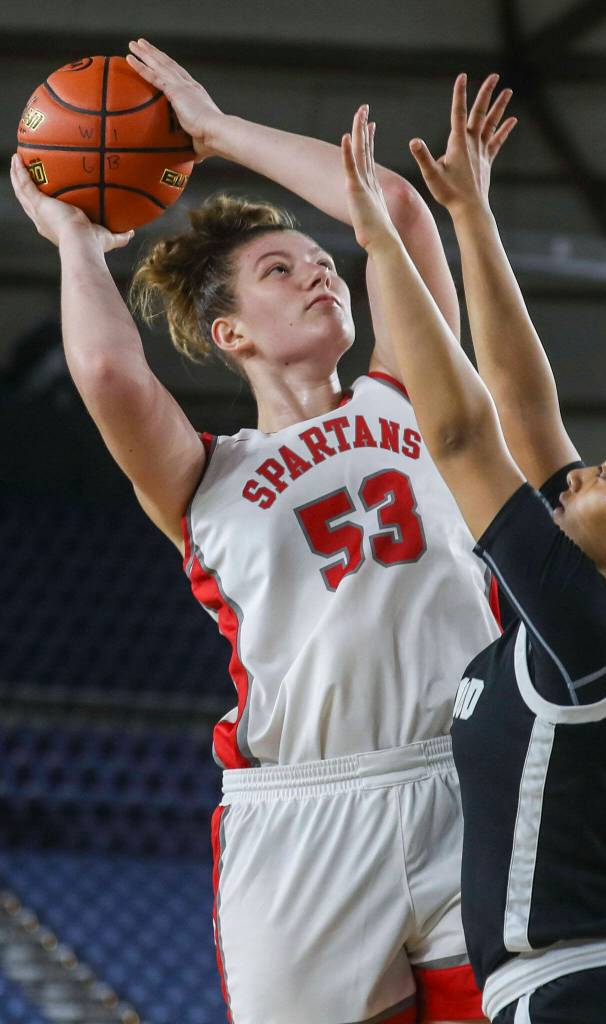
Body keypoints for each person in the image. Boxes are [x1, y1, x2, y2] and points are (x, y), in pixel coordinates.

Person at [10, 42, 503, 1024]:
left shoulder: (408, 393)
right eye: (282, 270)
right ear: (228, 332)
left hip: (468, 776)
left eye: (324, 264)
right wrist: (73, 243)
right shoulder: (202, 474)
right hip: (301, 810)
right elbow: (110, 378)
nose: (321, 276)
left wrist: (215, 130)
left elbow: (395, 215)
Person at [339, 74, 606, 1023]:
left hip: (587, 995)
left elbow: (462, 436)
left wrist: (384, 247)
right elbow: (526, 410)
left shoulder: (594, 633)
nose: (577, 474)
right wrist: (472, 216)